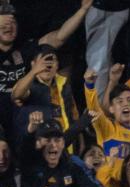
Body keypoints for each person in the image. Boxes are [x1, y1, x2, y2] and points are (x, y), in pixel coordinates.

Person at [0, 0, 92, 144]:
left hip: (26, 121)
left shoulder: (25, 50)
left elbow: (59, 37)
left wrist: (83, 10)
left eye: (12, 23)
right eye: (4, 25)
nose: (9, 27)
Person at [84, 68, 130, 159]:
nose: (125, 104)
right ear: (111, 109)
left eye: (129, 100)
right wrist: (90, 86)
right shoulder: (108, 129)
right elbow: (94, 110)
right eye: (120, 101)